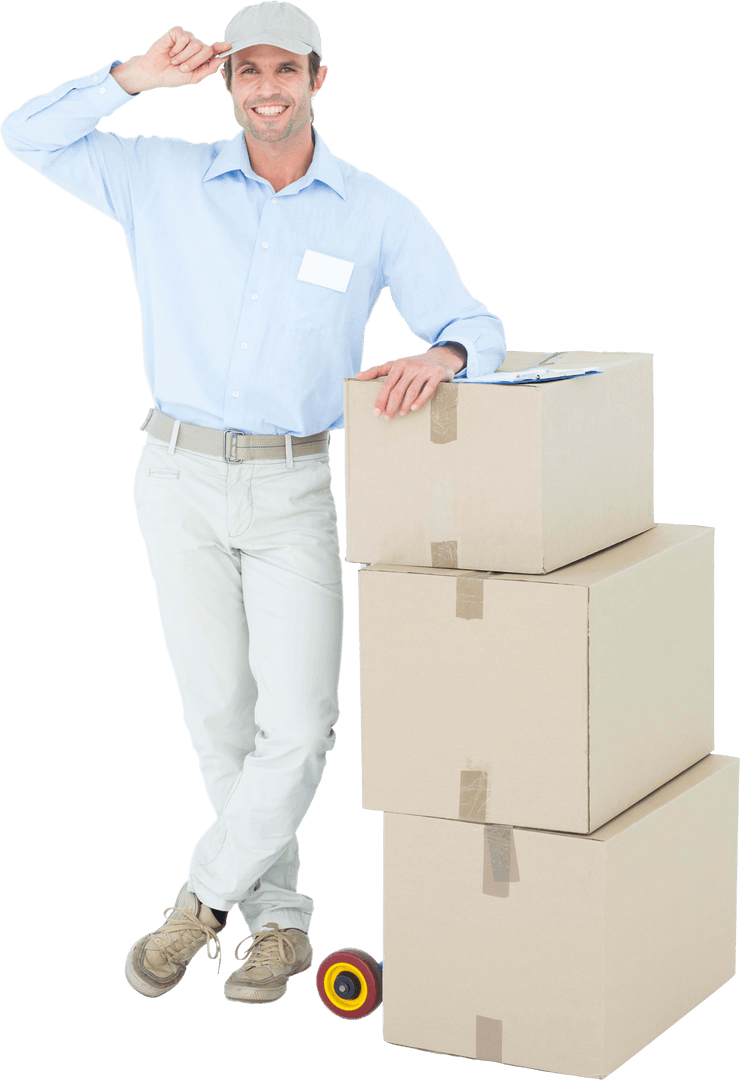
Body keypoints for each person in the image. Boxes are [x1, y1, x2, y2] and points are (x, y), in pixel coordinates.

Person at [1, 1, 507, 1004]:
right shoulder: (159, 175)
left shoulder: (372, 211)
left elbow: (472, 321)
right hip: (175, 476)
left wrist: (443, 354)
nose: (266, 89)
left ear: (319, 78)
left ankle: (201, 905)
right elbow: (24, 133)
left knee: (304, 723)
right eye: (248, 73)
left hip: (292, 487)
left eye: (286, 70)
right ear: (227, 83)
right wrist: (131, 79)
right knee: (216, 719)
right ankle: (277, 923)